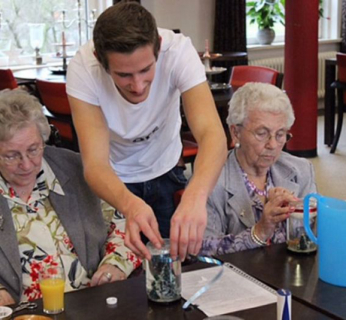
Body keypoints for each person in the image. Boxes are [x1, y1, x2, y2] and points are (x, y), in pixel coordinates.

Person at [0, 89, 140, 309]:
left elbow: (124, 223)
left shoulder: (79, 170)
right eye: (11, 155)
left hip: (91, 305)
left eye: (34, 149)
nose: (26, 164)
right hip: (20, 313)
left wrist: (116, 264)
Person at [66, 2, 226, 261]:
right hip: (113, 181)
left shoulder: (178, 51)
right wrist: (129, 204)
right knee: (115, 272)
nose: (138, 86)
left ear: (159, 48)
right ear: (100, 60)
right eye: (124, 75)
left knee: (175, 266)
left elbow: (212, 134)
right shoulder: (84, 69)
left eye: (145, 70)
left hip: (165, 168)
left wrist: (196, 196)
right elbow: (95, 164)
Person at [200, 83, 317, 256]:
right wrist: (259, 231)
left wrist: (297, 212)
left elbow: (316, 234)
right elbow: (201, 250)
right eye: (262, 133)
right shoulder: (210, 182)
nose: (272, 145)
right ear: (236, 132)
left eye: (280, 134)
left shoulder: (300, 170)